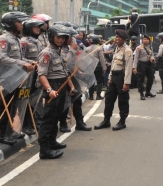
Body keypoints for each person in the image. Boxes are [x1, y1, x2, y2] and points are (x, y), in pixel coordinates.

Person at [37, 25, 79, 159]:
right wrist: (49, 90)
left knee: (56, 116)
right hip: (53, 86)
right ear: (52, 37)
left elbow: (64, 72)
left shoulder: (59, 52)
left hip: (61, 85)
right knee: (48, 119)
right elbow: (42, 74)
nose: (61, 40)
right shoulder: (46, 53)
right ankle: (44, 149)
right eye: (58, 37)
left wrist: (71, 87)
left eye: (63, 37)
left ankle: (52, 141)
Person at [0, 11, 35, 145]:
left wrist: (29, 61)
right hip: (6, 77)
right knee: (5, 105)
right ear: (11, 24)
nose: (22, 25)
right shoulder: (3, 39)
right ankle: (2, 134)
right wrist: (23, 63)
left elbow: (18, 58)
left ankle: (10, 131)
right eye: (19, 22)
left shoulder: (16, 38)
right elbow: (3, 57)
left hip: (17, 77)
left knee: (13, 106)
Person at [94, 29, 133, 131]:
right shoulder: (116, 48)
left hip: (122, 77)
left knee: (123, 100)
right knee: (109, 99)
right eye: (116, 37)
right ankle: (106, 120)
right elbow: (114, 64)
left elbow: (128, 67)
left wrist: (126, 83)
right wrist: (110, 77)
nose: (117, 39)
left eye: (119, 37)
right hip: (114, 77)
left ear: (124, 39)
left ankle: (122, 121)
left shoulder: (127, 50)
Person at [20, 18, 46, 136]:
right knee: (27, 100)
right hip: (27, 74)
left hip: (38, 73)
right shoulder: (24, 42)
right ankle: (26, 125)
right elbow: (19, 58)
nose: (38, 29)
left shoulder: (38, 41)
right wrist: (31, 62)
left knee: (38, 98)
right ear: (29, 29)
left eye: (38, 27)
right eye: (36, 27)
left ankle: (37, 121)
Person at [133, 34, 156, 100]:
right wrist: (134, 67)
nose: (145, 41)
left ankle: (148, 92)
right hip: (141, 64)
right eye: (144, 39)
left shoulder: (150, 47)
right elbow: (136, 58)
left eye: (146, 39)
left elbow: (152, 55)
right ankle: (141, 93)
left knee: (151, 78)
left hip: (149, 64)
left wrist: (152, 58)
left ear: (149, 41)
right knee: (141, 79)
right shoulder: (139, 48)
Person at [86, 35, 106, 100]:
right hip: (98, 67)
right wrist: (104, 68)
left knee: (91, 82)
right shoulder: (99, 48)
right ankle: (98, 95)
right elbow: (102, 59)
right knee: (99, 81)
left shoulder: (87, 49)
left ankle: (91, 96)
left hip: (89, 67)